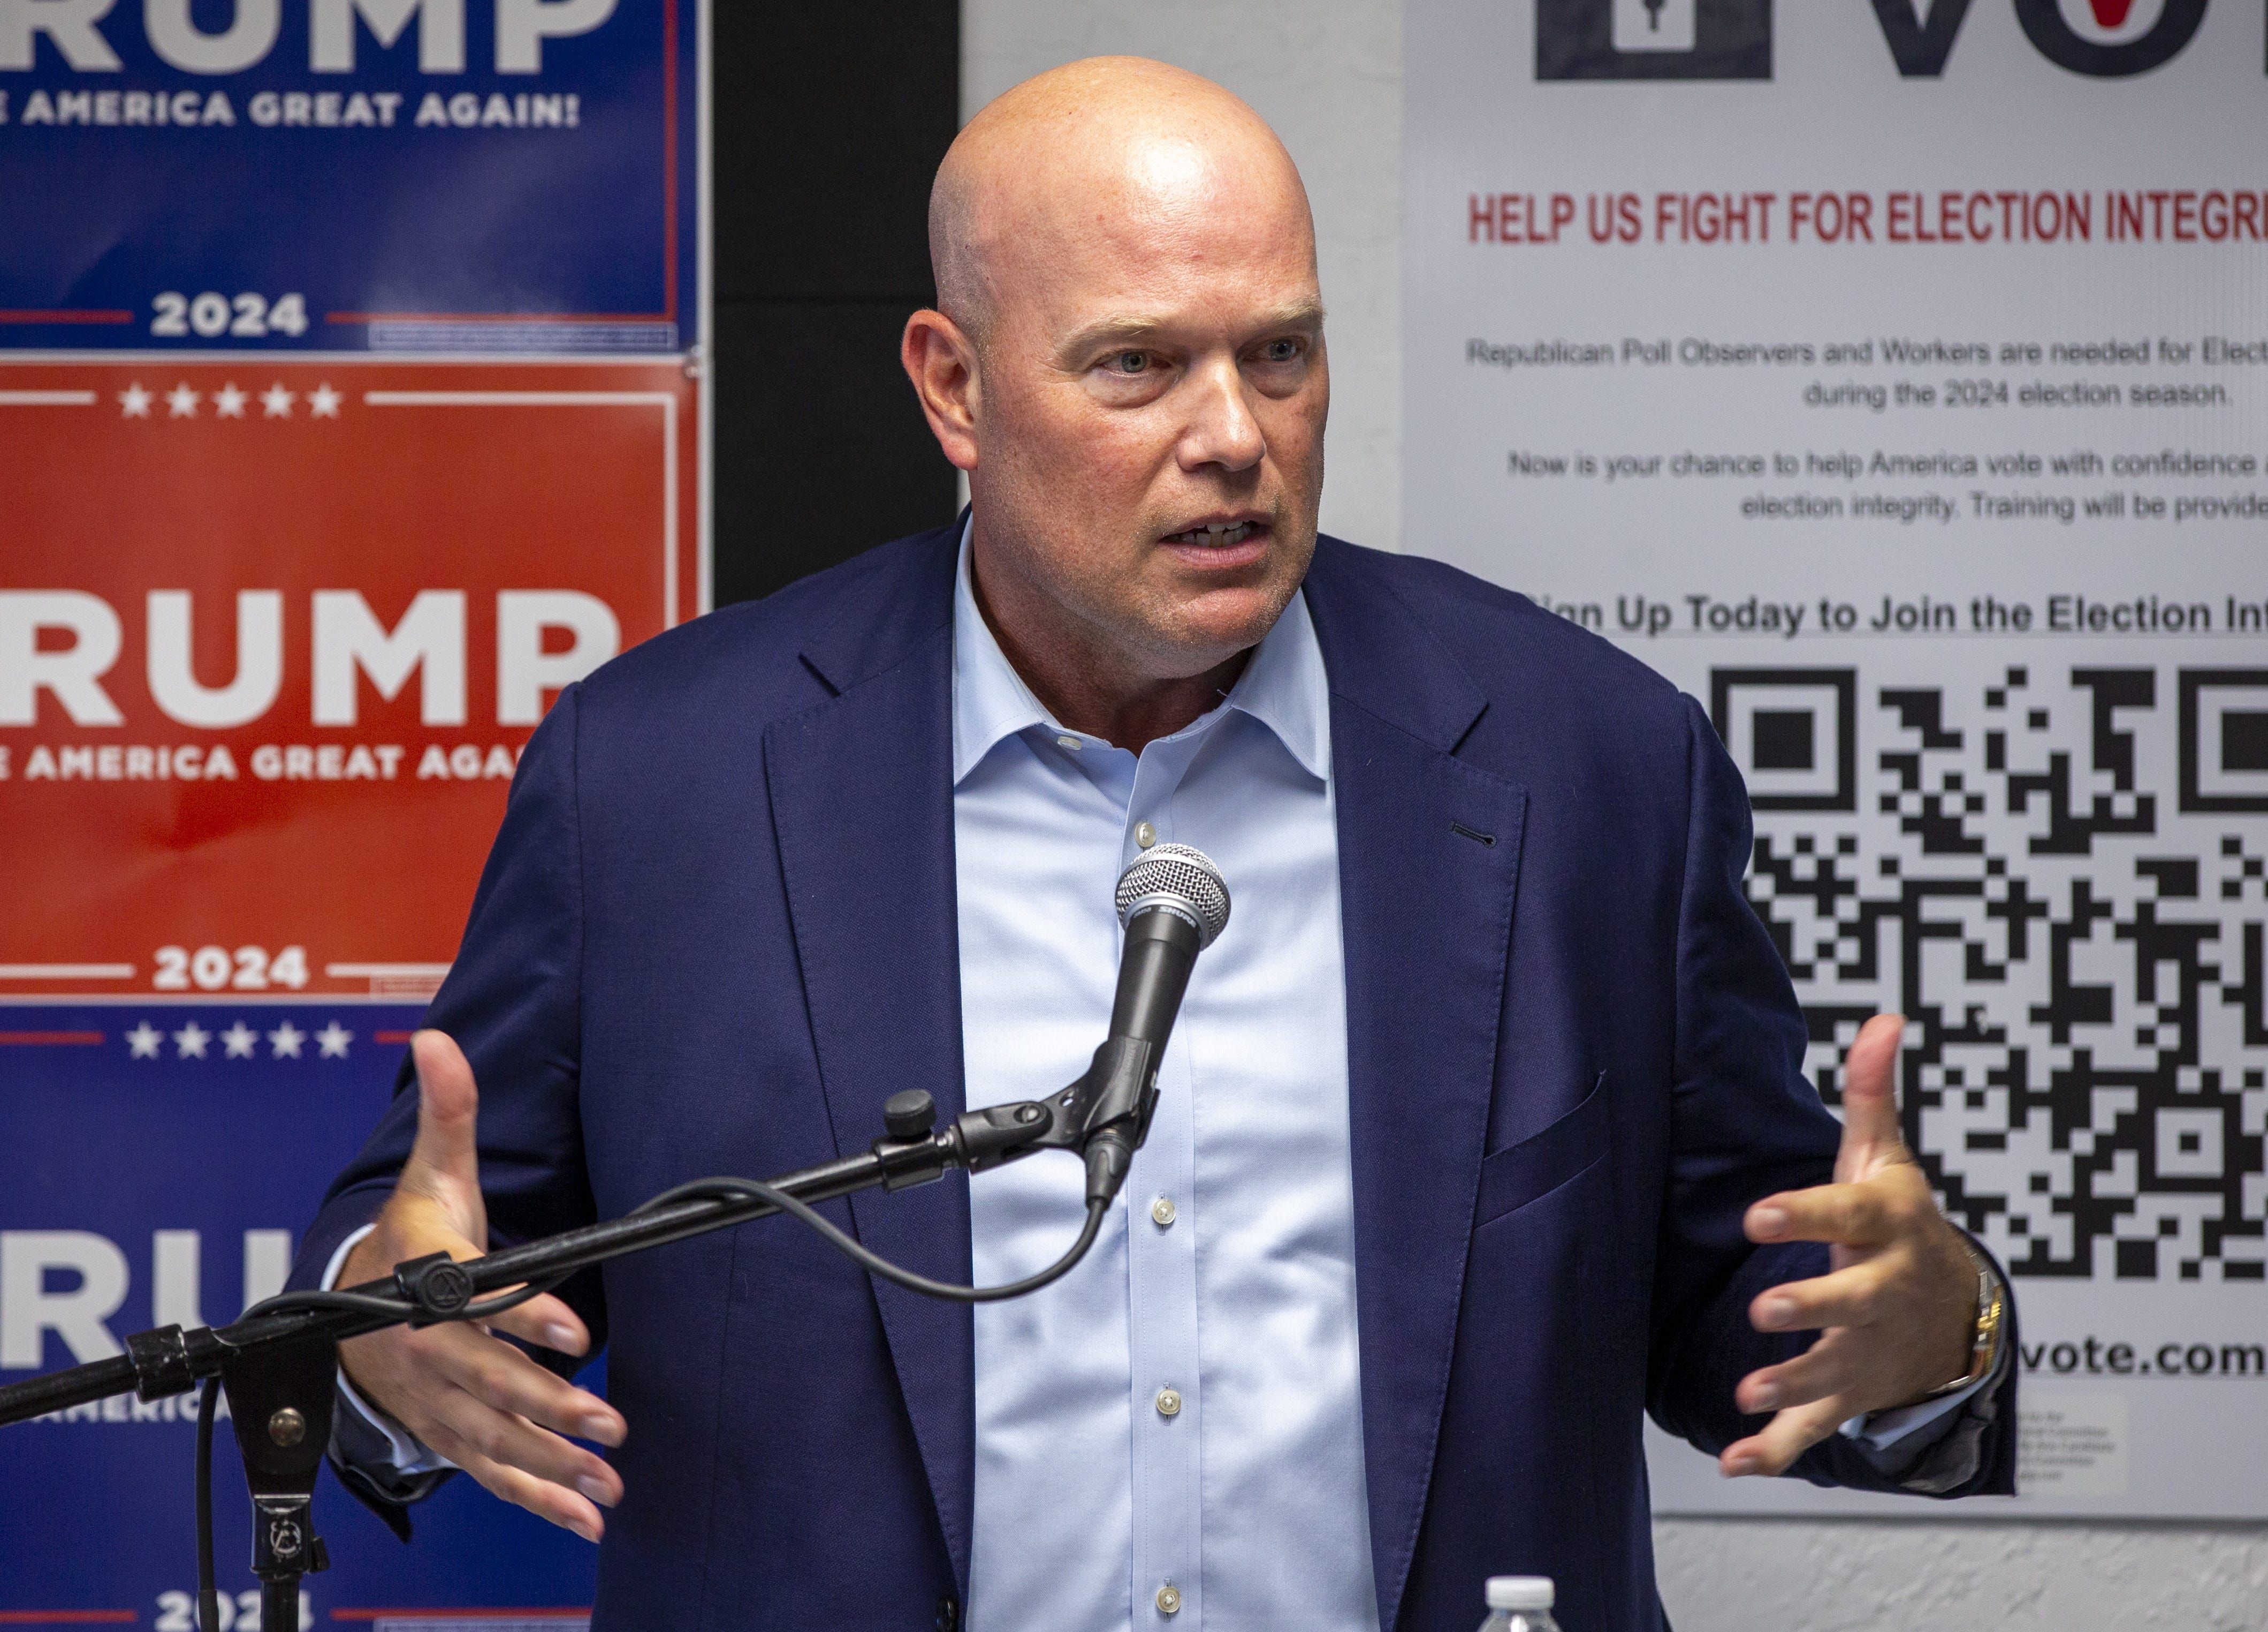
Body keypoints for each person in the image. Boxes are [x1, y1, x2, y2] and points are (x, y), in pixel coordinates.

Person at [292, 57, 2014, 1632]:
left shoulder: (1590, 764)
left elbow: (1772, 1304)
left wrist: (1923, 1330)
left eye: (1280, 351)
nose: (1235, 438)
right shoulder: (661, 777)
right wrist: (386, 1327)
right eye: (1138, 364)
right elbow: (437, 1246)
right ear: (953, 387)